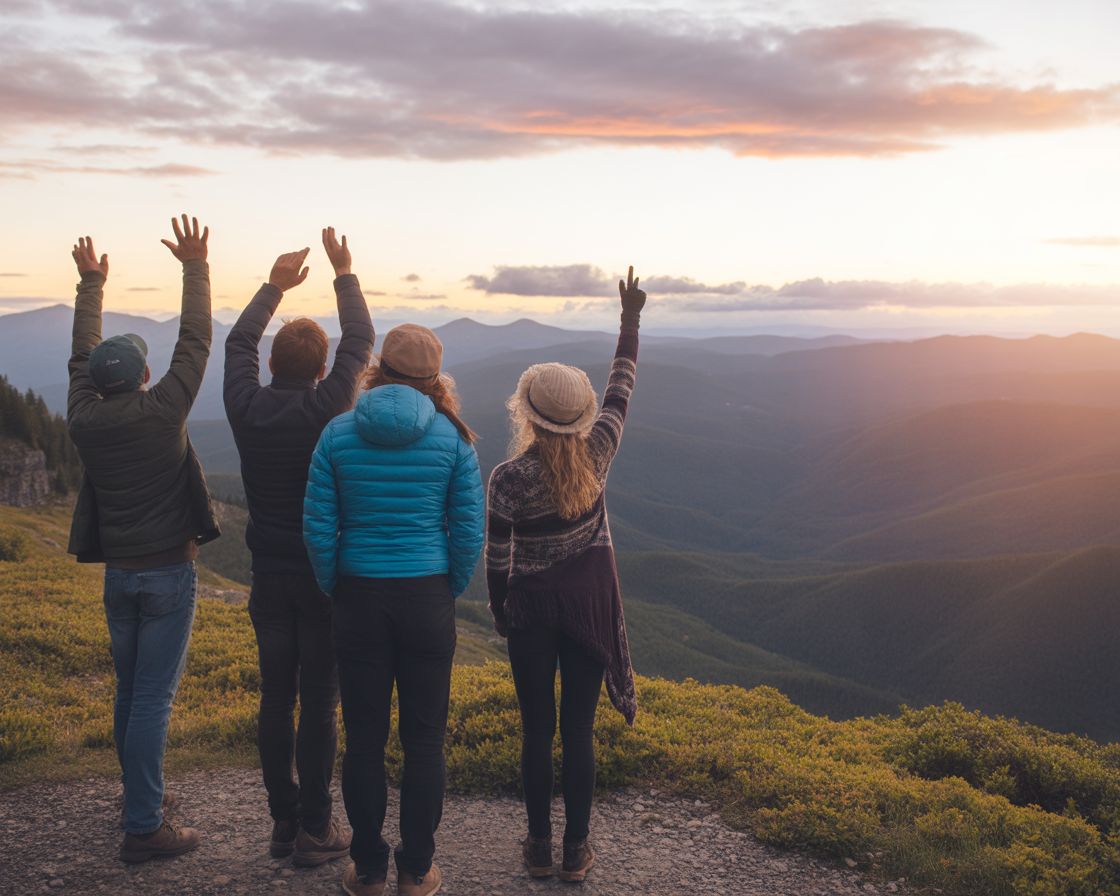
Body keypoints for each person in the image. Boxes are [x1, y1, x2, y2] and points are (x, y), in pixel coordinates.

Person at [303, 324, 485, 896]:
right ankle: (417, 868)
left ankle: (368, 867)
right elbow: (469, 531)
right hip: (426, 596)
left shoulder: (336, 434)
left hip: (358, 596)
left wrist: (339, 585)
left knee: (363, 739)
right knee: (425, 740)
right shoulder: (454, 440)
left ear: (377, 369)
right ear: (435, 379)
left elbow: (317, 529)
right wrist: (446, 587)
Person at [66, 215, 219, 863]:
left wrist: (91, 287)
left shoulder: (82, 415)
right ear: (146, 374)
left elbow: (80, 356)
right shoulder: (164, 411)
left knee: (132, 691)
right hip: (167, 575)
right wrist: (195, 266)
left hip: (119, 574)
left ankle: (141, 799)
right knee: (152, 696)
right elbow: (198, 340)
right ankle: (143, 828)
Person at [485, 266, 646, 882]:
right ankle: (577, 851)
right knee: (578, 729)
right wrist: (630, 318)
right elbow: (621, 389)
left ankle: (537, 847)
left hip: (531, 614)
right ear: (579, 417)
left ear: (527, 413)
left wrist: (502, 613)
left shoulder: (508, 479)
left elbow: (498, 563)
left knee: (536, 732)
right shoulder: (599, 453)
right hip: (587, 610)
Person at [223, 228, 375, 865]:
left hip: (267, 577)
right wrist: (344, 273)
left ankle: (285, 823)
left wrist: (274, 286)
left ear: (271, 365)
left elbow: (235, 343)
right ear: (319, 370)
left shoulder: (245, 407)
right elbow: (362, 343)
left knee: (276, 698)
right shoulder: (328, 410)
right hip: (320, 577)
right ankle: (317, 827)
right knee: (320, 702)